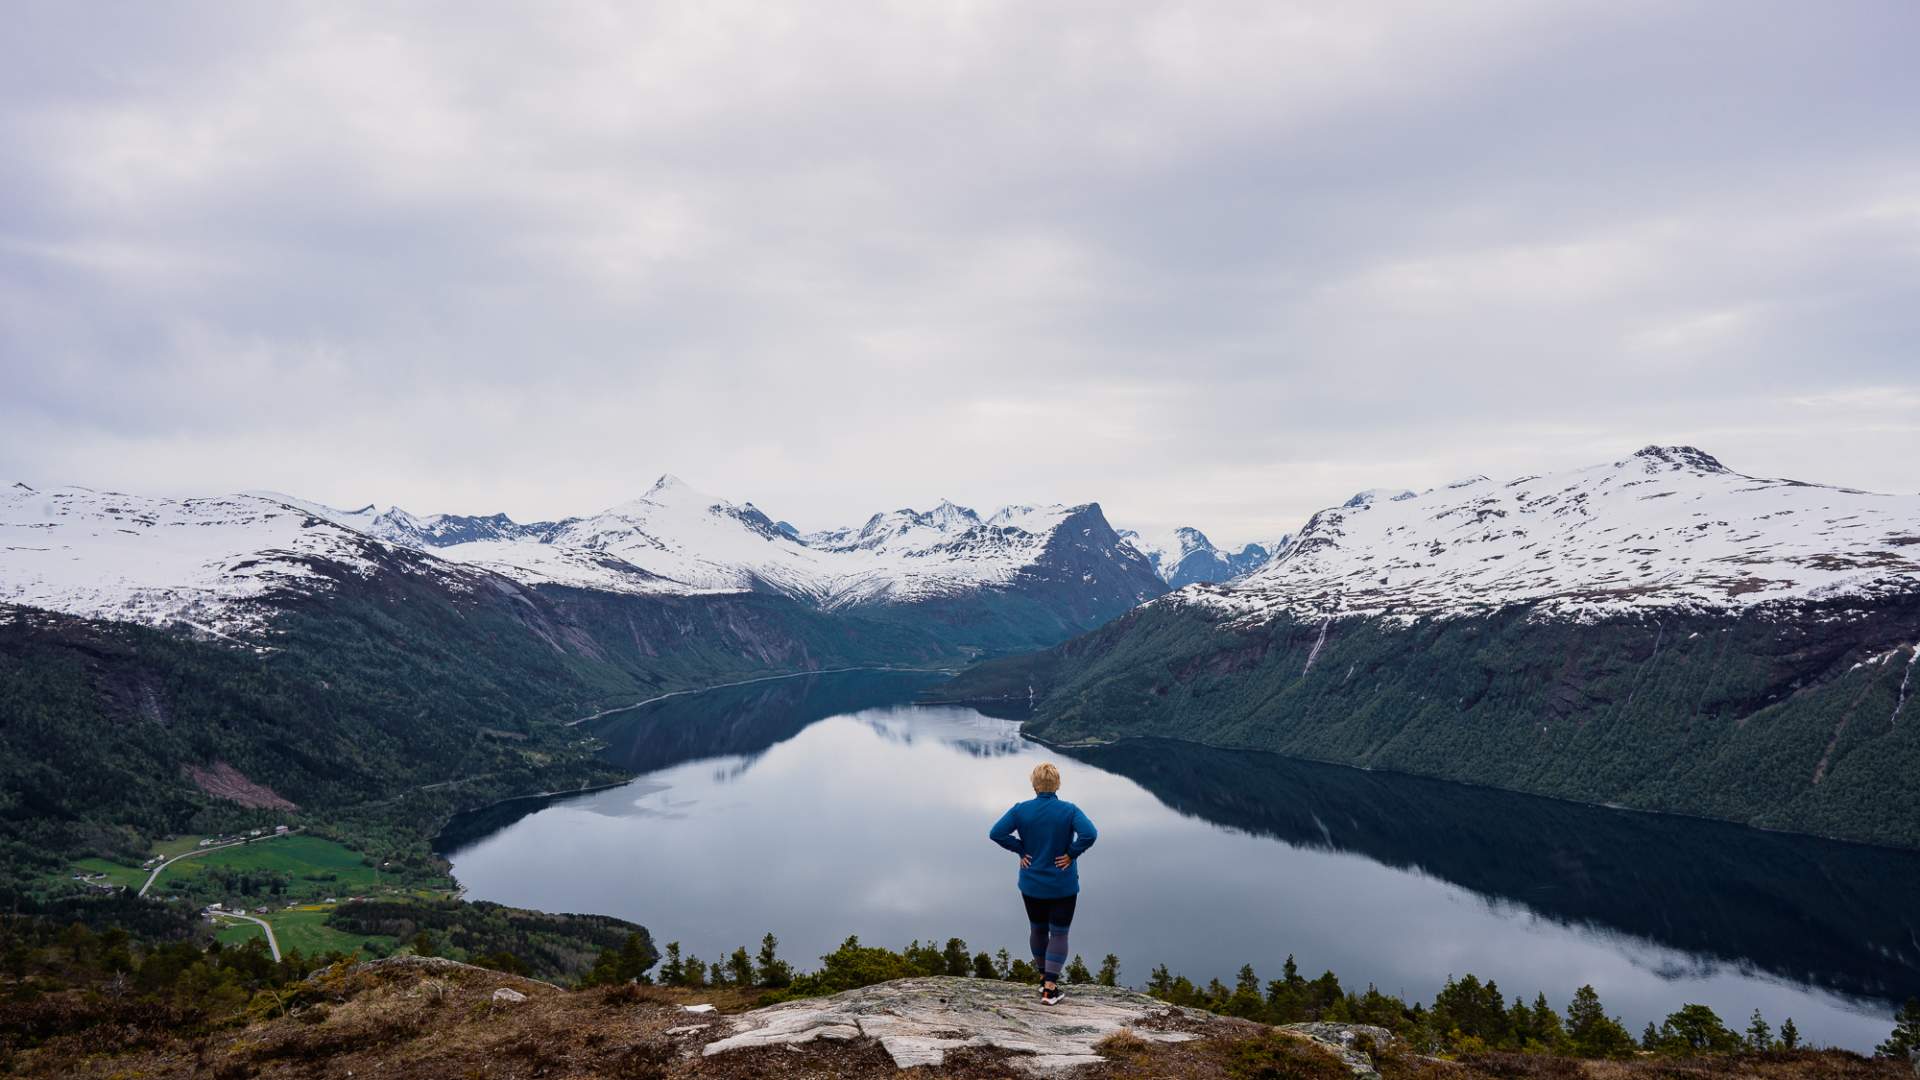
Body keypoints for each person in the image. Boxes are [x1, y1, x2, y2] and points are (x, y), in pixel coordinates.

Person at [988, 762, 1097, 1005]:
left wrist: (1020, 849)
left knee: (1037, 929)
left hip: (1032, 883)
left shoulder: (1021, 810)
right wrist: (1071, 854)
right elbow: (1090, 834)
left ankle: (1043, 980)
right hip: (1062, 884)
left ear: (1034, 784)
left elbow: (996, 833)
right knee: (1059, 933)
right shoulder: (1069, 811)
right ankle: (1050, 988)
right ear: (1057, 784)